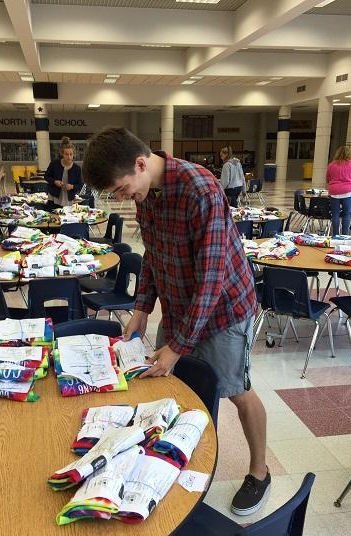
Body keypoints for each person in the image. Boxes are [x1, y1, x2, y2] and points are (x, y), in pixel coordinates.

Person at [82, 127, 270, 516]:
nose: (121, 198)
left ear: (139, 163)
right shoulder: (145, 191)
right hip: (181, 305)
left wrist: (177, 346)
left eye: (120, 189)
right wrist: (141, 308)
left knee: (237, 390)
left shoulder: (200, 189)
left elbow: (212, 279)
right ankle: (174, 464)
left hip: (224, 310)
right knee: (178, 391)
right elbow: (153, 251)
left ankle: (260, 471)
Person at [326, 146, 351, 236]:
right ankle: (344, 235)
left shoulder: (332, 165)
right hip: (348, 192)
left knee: (335, 214)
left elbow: (328, 179)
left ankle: (335, 235)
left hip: (334, 192)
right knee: (346, 215)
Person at [44, 136, 83, 207]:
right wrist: (55, 182)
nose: (69, 157)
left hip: (68, 199)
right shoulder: (54, 164)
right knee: (53, 217)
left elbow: (80, 184)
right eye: (66, 154)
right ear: (62, 154)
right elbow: (46, 176)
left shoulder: (77, 168)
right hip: (54, 197)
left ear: (73, 154)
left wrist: (72, 186)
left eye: (71, 154)